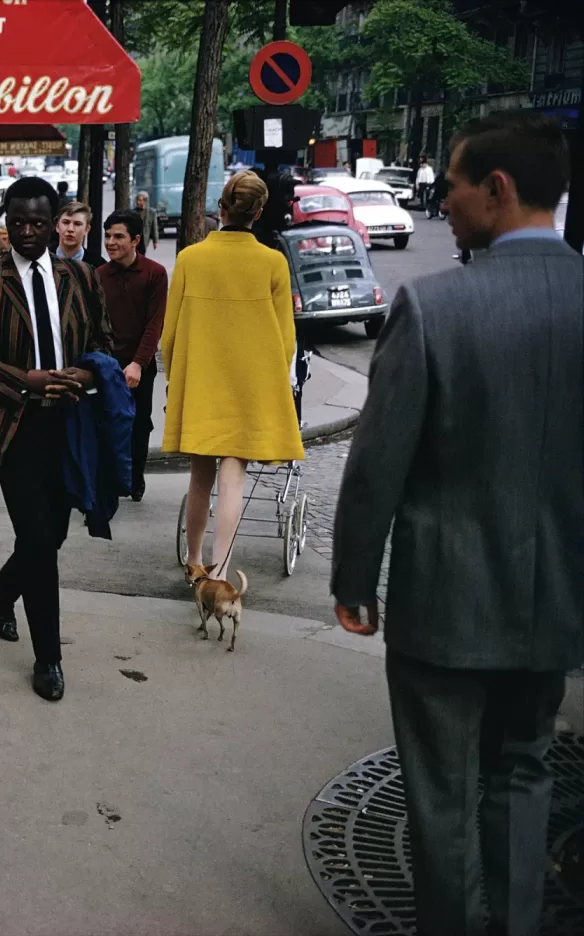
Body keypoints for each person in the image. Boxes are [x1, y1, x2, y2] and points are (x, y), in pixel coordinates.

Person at [332, 111, 582, 936]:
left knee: (441, 797)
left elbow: (377, 466)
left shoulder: (435, 307)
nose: (446, 202)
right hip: (556, 607)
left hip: (446, 607)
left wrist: (353, 582)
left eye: (453, 186)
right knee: (523, 771)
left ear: (497, 190)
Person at [0, 176, 113, 702]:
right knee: (39, 542)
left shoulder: (80, 276)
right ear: (5, 223)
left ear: (56, 222)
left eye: (38, 222)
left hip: (70, 424)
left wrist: (87, 374)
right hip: (14, 427)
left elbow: (102, 340)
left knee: (49, 538)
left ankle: (2, 587)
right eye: (17, 223)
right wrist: (23, 380)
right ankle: (48, 658)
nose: (28, 233)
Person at [161, 171, 303, 582]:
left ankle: (193, 559)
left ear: (220, 209)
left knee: (199, 476)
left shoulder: (189, 258)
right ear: (258, 213)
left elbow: (170, 334)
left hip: (202, 381)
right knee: (234, 476)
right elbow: (285, 338)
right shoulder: (272, 262)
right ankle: (220, 571)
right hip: (249, 384)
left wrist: (177, 377)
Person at [97, 210, 167, 502]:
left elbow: (155, 324)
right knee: (104, 421)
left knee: (139, 423)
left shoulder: (154, 274)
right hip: (106, 363)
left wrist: (138, 363)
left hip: (140, 364)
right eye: (108, 236)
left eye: (118, 237)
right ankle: (106, 479)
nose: (110, 243)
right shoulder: (99, 275)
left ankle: (134, 477)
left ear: (136, 240)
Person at [134, 191, 160, 256]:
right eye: (138, 200)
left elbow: (154, 227)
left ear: (145, 201)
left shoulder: (151, 212)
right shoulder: (133, 212)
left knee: (142, 254)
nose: (138, 202)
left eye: (141, 200)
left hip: (144, 238)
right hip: (135, 237)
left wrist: (155, 241)